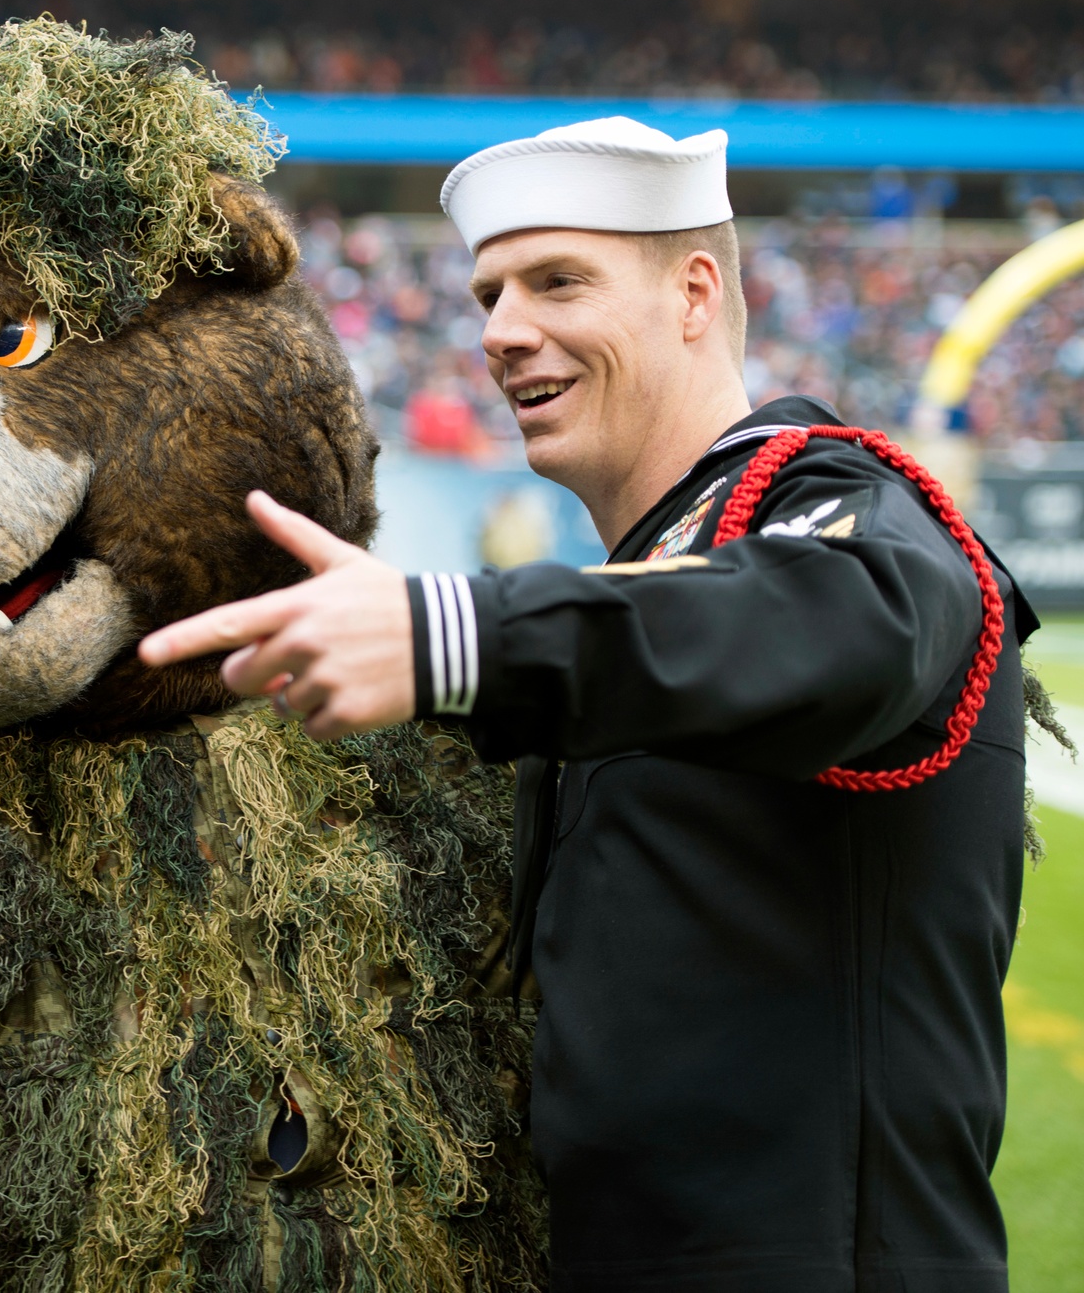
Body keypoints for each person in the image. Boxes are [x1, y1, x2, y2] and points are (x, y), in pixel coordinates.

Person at [140, 117, 1037, 1292]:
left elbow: (848, 626)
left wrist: (446, 633)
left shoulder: (834, 498)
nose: (503, 331)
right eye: (487, 295)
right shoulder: (652, 565)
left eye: (558, 281)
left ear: (694, 294)